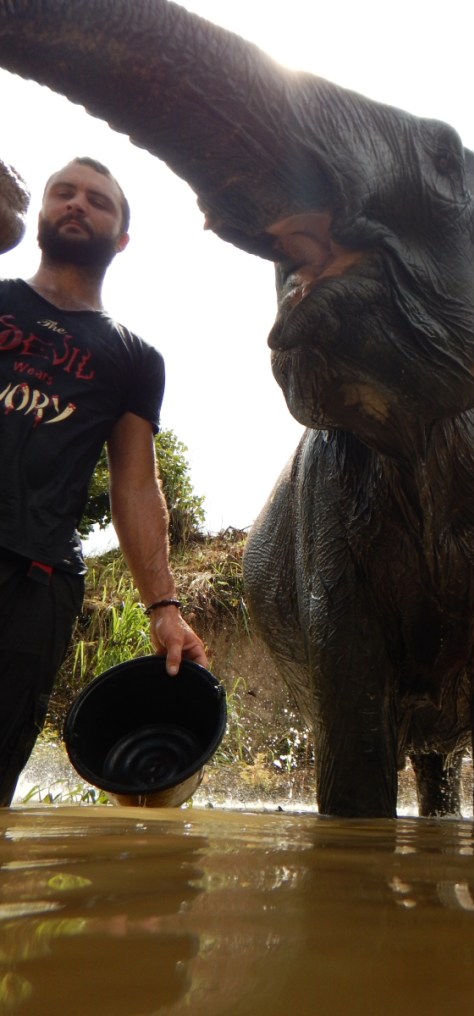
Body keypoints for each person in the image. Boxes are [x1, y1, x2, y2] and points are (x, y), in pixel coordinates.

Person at [0, 155, 208, 805]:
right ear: (38, 216)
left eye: (98, 200)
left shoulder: (135, 358)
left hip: (35, 584)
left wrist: (165, 609)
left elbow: (136, 487)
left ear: (121, 239)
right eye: (63, 192)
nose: (77, 203)